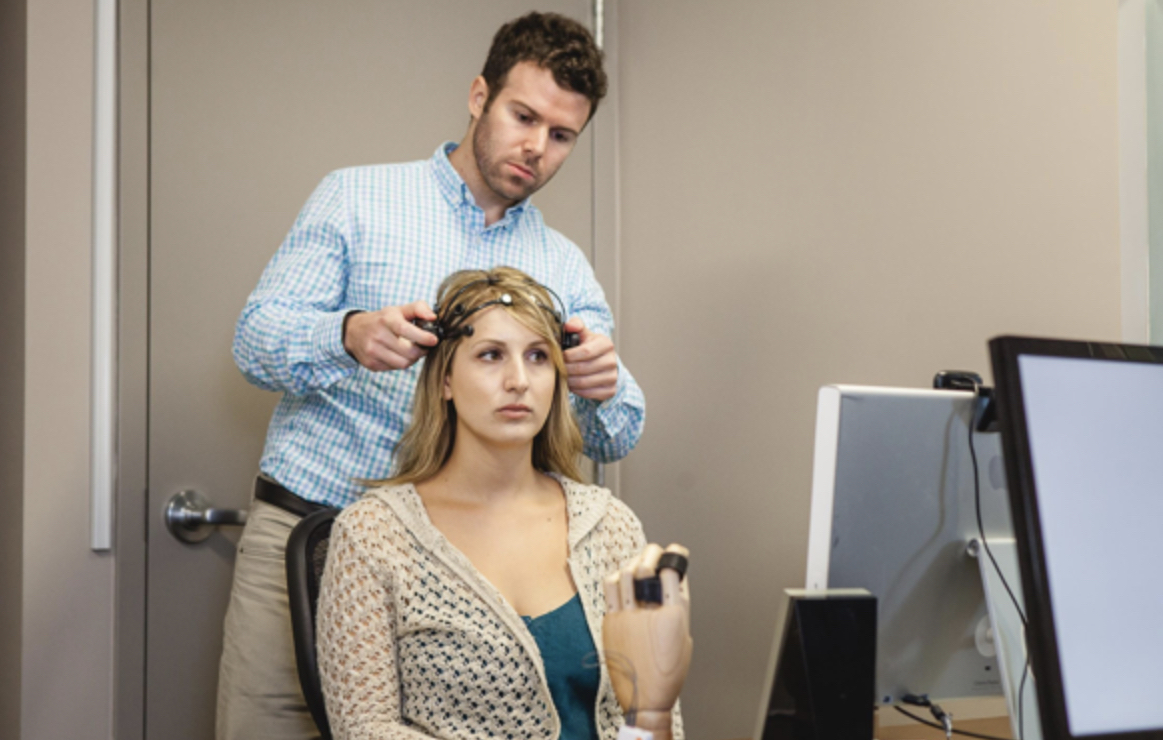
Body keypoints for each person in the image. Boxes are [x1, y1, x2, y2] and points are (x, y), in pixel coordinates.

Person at [218, 12, 645, 740]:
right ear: (478, 95)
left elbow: (616, 434)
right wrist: (346, 335)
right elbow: (253, 343)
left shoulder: (562, 266)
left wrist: (603, 386)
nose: (535, 147)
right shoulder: (356, 198)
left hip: (453, 572)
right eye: (523, 116)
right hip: (310, 525)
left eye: (561, 135)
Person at [316, 268, 687, 740]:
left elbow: (658, 721)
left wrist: (653, 708)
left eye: (538, 357)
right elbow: (364, 729)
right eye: (491, 355)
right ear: (445, 380)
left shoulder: (609, 524)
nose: (518, 380)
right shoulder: (371, 535)